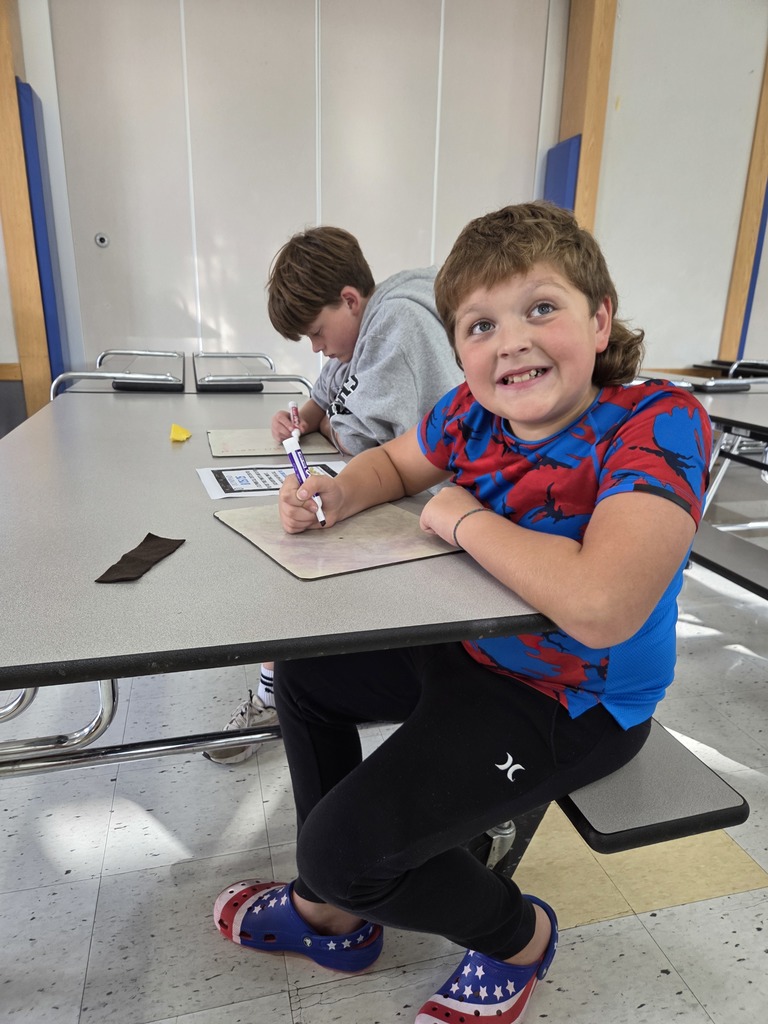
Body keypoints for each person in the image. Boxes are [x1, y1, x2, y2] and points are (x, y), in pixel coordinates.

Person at [213, 201, 712, 1023]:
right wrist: (333, 494)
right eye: (480, 324)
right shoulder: (470, 415)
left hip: (573, 699)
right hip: (467, 651)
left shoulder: (656, 423)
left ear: (600, 321)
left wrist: (462, 517)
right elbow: (392, 465)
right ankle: (339, 909)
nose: (509, 339)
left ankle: (517, 936)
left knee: (339, 852)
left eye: (540, 308)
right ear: (459, 349)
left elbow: (601, 606)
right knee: (306, 672)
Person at [204, 226, 462, 765]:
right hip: (376, 487)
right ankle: (282, 686)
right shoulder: (359, 331)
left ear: (349, 299)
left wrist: (337, 434)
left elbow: (388, 446)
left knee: (292, 558)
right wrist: (300, 418)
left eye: (318, 333)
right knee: (290, 538)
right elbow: (326, 404)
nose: (318, 348)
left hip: (424, 508)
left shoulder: (399, 324)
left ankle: (279, 692)